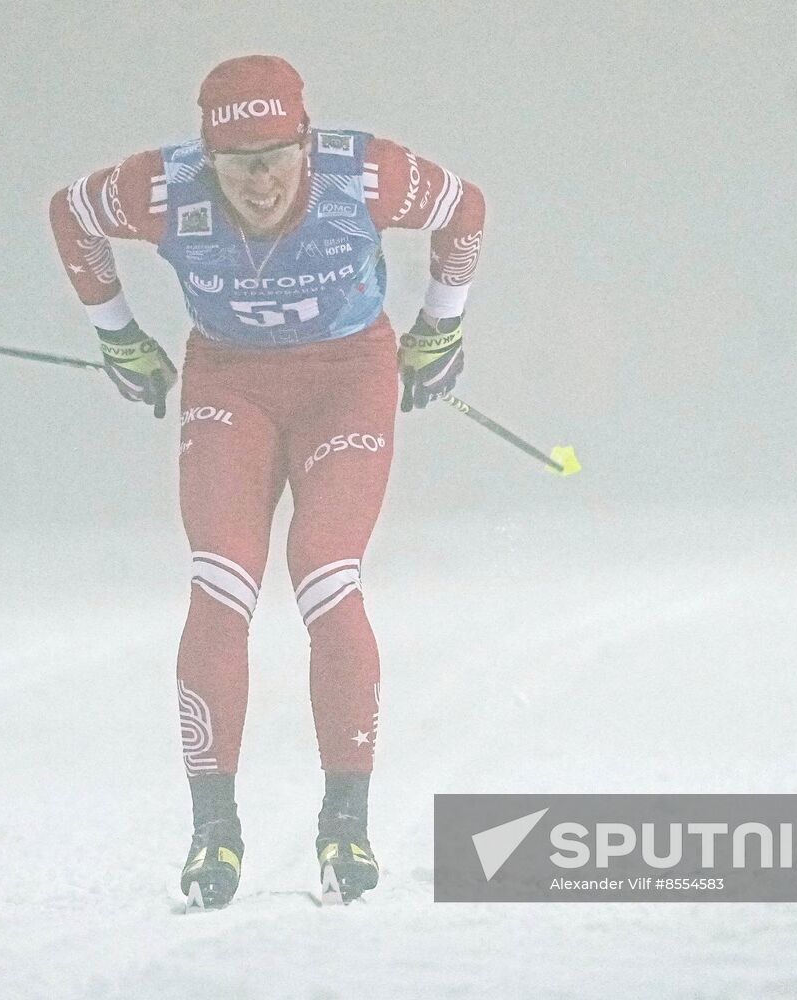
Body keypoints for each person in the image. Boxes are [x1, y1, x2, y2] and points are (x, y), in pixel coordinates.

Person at [49, 54, 485, 907]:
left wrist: (440, 329)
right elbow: (69, 216)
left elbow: (465, 209)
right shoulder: (159, 188)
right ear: (204, 157)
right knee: (219, 585)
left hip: (345, 379)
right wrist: (116, 334)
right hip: (231, 383)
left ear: (306, 142)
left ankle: (345, 825)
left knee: (325, 573)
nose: (258, 183)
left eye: (277, 159)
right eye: (237, 165)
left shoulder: (364, 173)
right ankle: (215, 833)